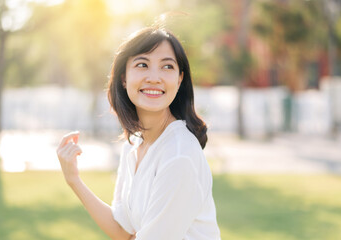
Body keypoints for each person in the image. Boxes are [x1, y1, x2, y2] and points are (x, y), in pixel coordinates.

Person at [56, 26, 221, 240]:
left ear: (179, 80)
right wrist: (73, 180)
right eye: (142, 65)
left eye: (167, 67)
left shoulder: (179, 157)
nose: (154, 78)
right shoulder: (134, 144)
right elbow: (122, 230)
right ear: (124, 78)